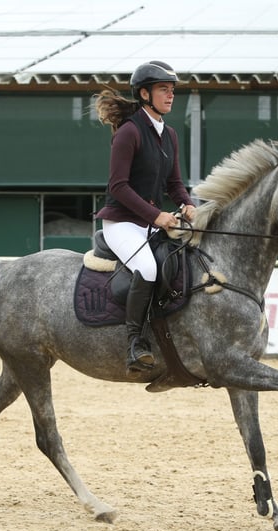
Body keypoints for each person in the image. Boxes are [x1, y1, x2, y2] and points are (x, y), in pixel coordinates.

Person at [93, 60, 196, 376]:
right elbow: (118, 187)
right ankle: (134, 343)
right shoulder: (129, 132)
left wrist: (187, 204)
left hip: (150, 223)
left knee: (180, 260)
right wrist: (157, 215)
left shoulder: (170, 134)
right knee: (149, 268)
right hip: (122, 223)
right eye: (164, 89)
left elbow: (174, 183)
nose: (170, 95)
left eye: (172, 90)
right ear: (145, 93)